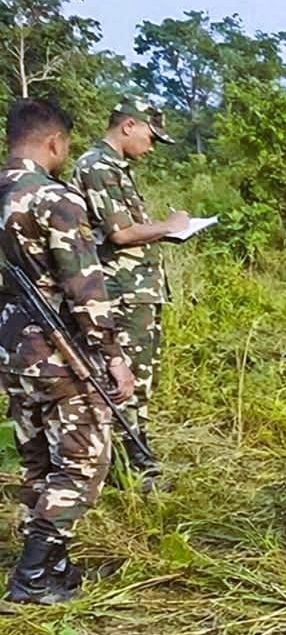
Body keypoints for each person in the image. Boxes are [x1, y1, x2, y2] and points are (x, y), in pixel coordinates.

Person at [0, 99, 136, 604]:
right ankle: (33, 575)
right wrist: (114, 357)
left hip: (10, 347)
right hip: (57, 349)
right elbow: (84, 288)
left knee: (37, 457)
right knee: (83, 461)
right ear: (54, 142)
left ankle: (54, 564)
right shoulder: (54, 198)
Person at [73, 98, 187, 492]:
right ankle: (133, 469)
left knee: (140, 381)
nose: (152, 147)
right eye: (151, 137)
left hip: (138, 291)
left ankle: (136, 460)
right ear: (129, 126)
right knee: (125, 381)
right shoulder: (97, 167)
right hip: (121, 294)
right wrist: (170, 225)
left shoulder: (115, 168)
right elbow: (120, 233)